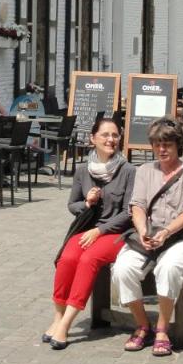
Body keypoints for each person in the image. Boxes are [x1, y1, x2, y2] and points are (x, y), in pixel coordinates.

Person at [112, 118, 183, 357]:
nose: (162, 150)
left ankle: (162, 328)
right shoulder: (145, 170)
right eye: (157, 145)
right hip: (150, 237)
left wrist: (166, 232)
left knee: (169, 267)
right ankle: (143, 325)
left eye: (167, 145)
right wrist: (142, 230)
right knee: (122, 269)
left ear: (178, 145)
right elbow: (137, 205)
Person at [44, 117, 136, 350]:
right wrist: (87, 203)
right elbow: (72, 205)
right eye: (105, 135)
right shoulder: (83, 170)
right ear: (93, 139)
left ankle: (66, 323)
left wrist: (100, 230)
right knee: (67, 258)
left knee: (88, 259)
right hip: (87, 230)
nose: (110, 139)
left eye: (115, 135)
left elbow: (128, 213)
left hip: (115, 233)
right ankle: (57, 316)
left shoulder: (128, 171)